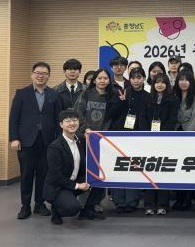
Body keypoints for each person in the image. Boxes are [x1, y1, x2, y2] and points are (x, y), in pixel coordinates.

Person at [9, 62, 63, 220]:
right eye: (38, 73)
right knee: (26, 174)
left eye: (44, 73)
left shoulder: (54, 94)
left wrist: (59, 141)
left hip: (47, 142)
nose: (41, 76)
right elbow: (14, 118)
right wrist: (14, 138)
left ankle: (40, 204)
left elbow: (58, 119)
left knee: (43, 174)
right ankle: (25, 206)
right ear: (32, 74)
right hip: (26, 141)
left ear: (49, 76)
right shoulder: (21, 93)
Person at [73, 68, 122, 215]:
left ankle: (96, 203)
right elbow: (78, 114)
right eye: (99, 78)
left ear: (109, 81)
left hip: (103, 141)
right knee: (85, 171)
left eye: (105, 78)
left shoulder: (113, 96)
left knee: (101, 172)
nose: (102, 81)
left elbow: (113, 117)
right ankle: (83, 202)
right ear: (94, 80)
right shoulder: (86, 94)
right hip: (85, 138)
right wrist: (85, 129)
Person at [43, 109, 102, 224]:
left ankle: (88, 210)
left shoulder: (80, 139)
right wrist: (78, 186)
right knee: (72, 208)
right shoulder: (55, 147)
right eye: (68, 121)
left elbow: (92, 144)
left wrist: (90, 135)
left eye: (75, 120)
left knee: (99, 178)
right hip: (59, 186)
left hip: (74, 179)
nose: (72, 123)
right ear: (61, 124)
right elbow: (56, 176)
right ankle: (56, 209)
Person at [111, 67, 150, 213]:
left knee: (134, 169)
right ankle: (119, 201)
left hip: (139, 138)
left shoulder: (148, 96)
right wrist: (121, 102)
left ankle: (131, 202)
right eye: (133, 78)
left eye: (139, 77)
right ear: (130, 79)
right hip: (120, 136)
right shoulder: (122, 93)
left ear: (144, 79)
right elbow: (113, 114)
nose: (136, 81)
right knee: (119, 167)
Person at [141, 73, 179, 215]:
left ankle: (163, 205)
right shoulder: (147, 98)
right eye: (157, 82)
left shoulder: (173, 99)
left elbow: (172, 119)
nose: (160, 85)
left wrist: (162, 135)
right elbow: (142, 118)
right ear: (153, 84)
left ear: (167, 84)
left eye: (163, 82)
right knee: (149, 172)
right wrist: (148, 135)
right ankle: (149, 205)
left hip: (165, 140)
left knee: (163, 172)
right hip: (148, 141)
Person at [172, 69, 195, 210]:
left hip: (190, 136)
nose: (183, 83)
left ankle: (187, 199)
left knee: (187, 169)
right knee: (176, 169)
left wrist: (187, 136)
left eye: (186, 80)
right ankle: (179, 198)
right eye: (181, 79)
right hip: (175, 135)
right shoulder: (173, 96)